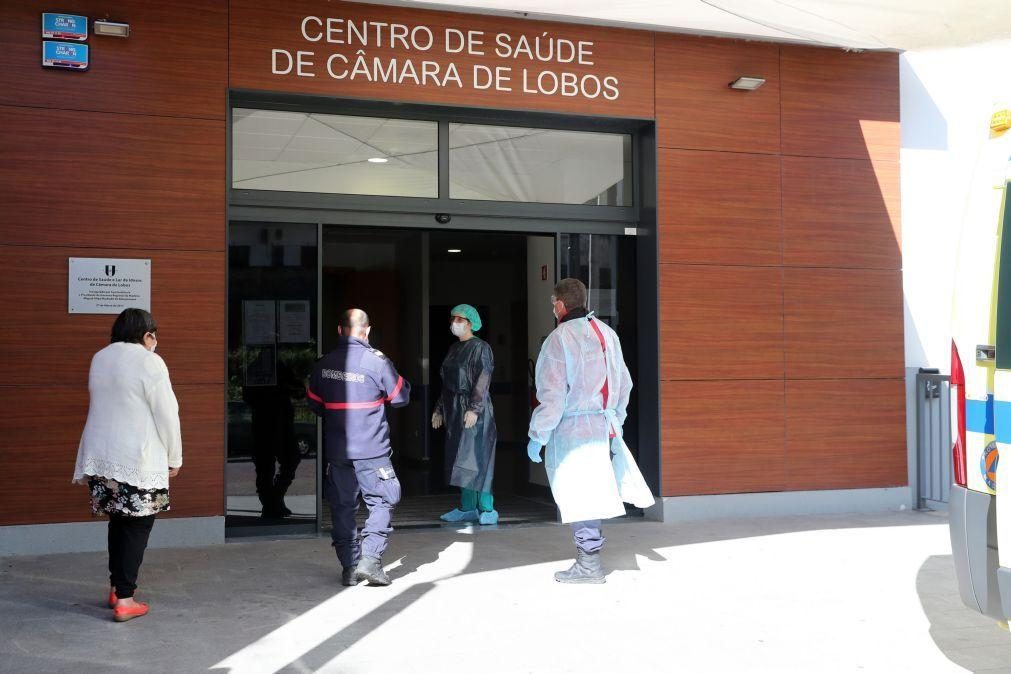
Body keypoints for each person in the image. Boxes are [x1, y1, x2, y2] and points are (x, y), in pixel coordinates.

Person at [526, 278, 654, 584]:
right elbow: (624, 384)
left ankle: (588, 565)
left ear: (559, 304)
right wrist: (615, 420)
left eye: (552, 302)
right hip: (603, 426)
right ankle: (588, 560)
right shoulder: (607, 334)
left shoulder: (559, 339)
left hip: (574, 431)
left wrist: (537, 435)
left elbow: (552, 397)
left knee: (580, 494)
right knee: (591, 492)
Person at [73, 308, 182, 621]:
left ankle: (116, 587)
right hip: (140, 459)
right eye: (154, 334)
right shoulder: (150, 361)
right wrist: (175, 457)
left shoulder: (100, 357)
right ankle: (125, 599)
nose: (156, 341)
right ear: (145, 334)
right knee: (139, 525)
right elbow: (167, 414)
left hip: (101, 458)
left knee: (118, 521)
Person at [307, 308, 411, 587]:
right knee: (382, 500)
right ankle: (370, 561)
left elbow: (315, 405)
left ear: (340, 331)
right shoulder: (376, 362)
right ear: (367, 331)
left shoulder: (323, 364)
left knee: (342, 507)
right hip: (372, 451)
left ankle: (350, 567)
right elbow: (400, 396)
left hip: (339, 451)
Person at [432, 304, 499, 525]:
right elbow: (447, 383)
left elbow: (482, 380)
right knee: (461, 458)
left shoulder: (480, 348)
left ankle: (487, 508)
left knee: (478, 456)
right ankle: (467, 507)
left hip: (474, 410)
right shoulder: (453, 349)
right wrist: (439, 409)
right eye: (452, 319)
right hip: (454, 409)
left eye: (459, 319)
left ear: (471, 323)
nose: (454, 324)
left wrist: (474, 409)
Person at [242, 357, 302, 519]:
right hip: (266, 423)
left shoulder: (279, 365)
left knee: (277, 463)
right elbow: (247, 394)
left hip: (277, 423)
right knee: (265, 467)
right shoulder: (259, 366)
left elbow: (298, 389)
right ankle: (271, 503)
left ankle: (273, 501)